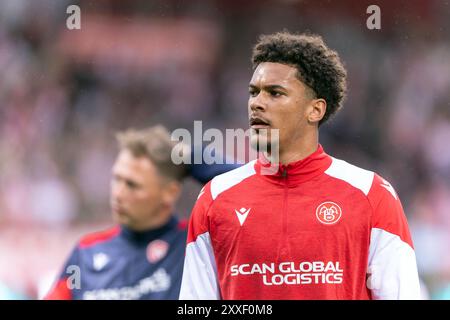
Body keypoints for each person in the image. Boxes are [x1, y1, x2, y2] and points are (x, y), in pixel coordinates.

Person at [179, 31, 421, 300]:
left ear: (315, 110)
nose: (256, 103)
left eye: (275, 93)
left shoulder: (371, 194)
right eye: (253, 92)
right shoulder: (215, 197)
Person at [45, 125, 238, 300]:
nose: (118, 193)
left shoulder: (194, 244)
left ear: (170, 193)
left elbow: (252, 188)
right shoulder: (86, 252)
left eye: (132, 185)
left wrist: (189, 156)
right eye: (116, 179)